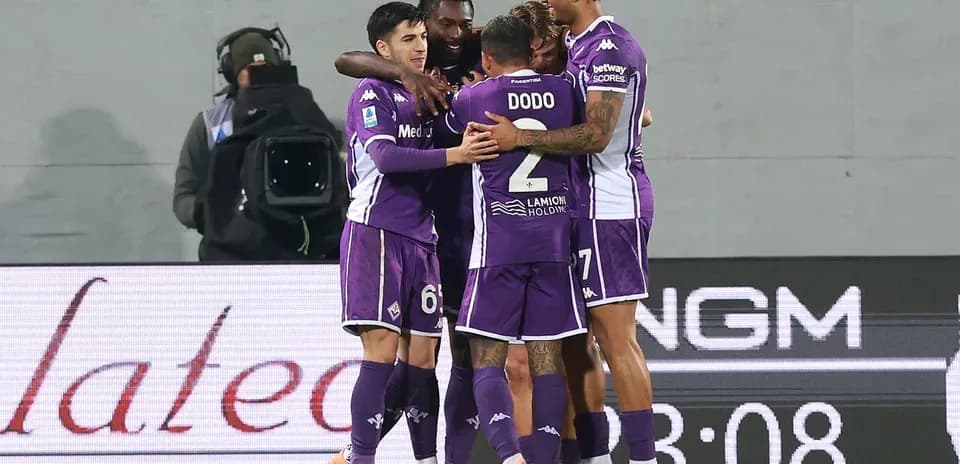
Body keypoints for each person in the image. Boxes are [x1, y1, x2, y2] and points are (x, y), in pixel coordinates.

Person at [471, 0, 659, 462]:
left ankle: (644, 458)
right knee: (576, 344)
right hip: (572, 207)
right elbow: (641, 113)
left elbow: (598, 134)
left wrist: (521, 137)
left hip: (609, 206)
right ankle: (590, 456)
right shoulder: (577, 45)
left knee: (617, 339)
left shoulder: (609, 47)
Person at [337, 3, 499, 464]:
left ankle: (433, 458)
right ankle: (359, 453)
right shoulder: (376, 90)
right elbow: (347, 62)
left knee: (433, 358)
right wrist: (407, 76)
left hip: (440, 234)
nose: (444, 36)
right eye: (419, 35)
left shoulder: (472, 48)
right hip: (382, 231)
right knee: (385, 353)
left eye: (461, 23)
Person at [446, 15, 585, 464]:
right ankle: (543, 457)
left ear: (487, 59)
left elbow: (447, 123)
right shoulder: (566, 92)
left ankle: (509, 456)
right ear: (531, 53)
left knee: (488, 358)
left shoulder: (474, 96)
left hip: (497, 250)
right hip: (552, 247)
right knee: (546, 360)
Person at [173, 29, 283, 252]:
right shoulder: (208, 125)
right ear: (232, 72)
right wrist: (210, 214)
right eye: (251, 71)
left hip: (287, 246)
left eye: (266, 70)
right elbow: (183, 196)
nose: (259, 78)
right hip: (225, 252)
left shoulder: (300, 116)